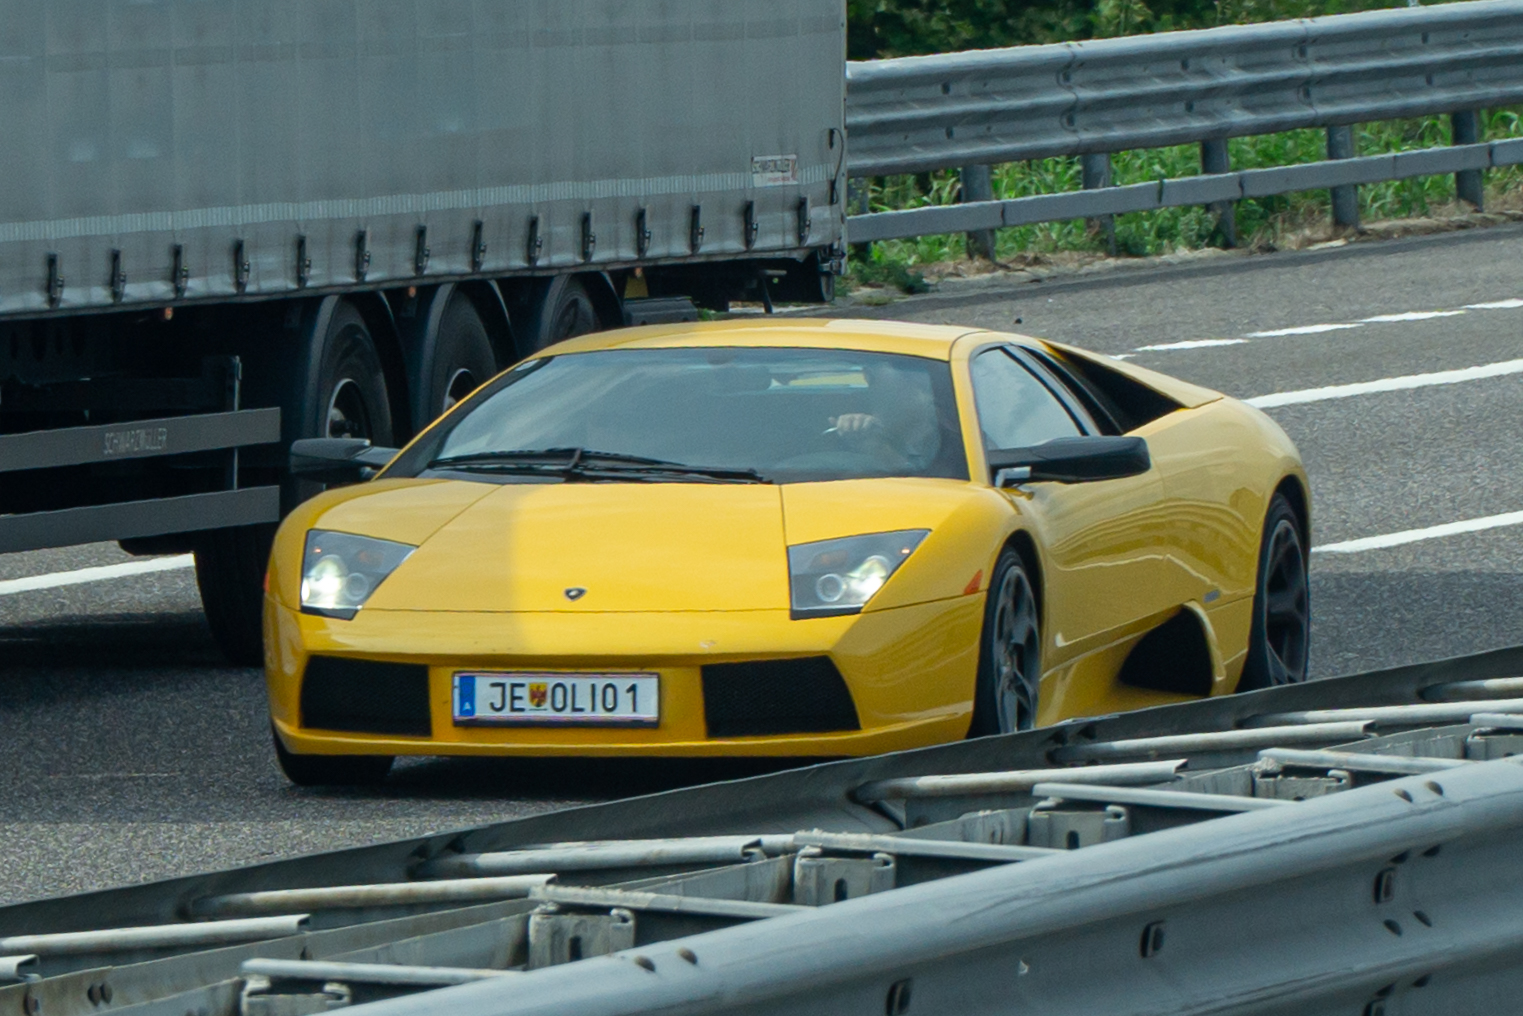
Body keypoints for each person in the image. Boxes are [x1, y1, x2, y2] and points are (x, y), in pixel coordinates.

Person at [828, 362, 942, 472]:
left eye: (920, 370)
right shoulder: (844, 435)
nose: (917, 379)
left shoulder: (949, 433)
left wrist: (883, 451)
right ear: (869, 375)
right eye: (900, 366)